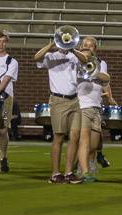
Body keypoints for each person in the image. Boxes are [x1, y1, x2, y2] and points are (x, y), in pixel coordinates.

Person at [34, 35, 91, 183]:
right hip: (58, 100)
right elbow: (36, 57)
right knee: (58, 137)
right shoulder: (51, 56)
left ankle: (69, 172)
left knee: (74, 137)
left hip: (75, 99)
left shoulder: (75, 55)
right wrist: (51, 44)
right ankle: (55, 173)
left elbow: (86, 60)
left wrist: (72, 48)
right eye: (64, 40)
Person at [74, 36, 112, 183]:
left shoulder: (101, 63)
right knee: (84, 140)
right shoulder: (76, 61)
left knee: (94, 143)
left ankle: (83, 163)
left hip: (96, 105)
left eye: (90, 46)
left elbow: (106, 78)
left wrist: (94, 70)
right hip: (82, 104)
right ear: (80, 48)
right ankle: (84, 171)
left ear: (95, 49)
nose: (87, 48)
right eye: (84, 45)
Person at [0, 30, 18, 174]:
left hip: (5, 98)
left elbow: (6, 80)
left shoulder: (12, 61)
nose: (1, 44)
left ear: (7, 42)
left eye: (3, 41)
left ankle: (3, 158)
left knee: (3, 130)